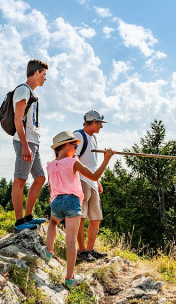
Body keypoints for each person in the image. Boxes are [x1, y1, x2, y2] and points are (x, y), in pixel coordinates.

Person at [35, 131, 114, 289]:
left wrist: (55, 202)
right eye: (74, 145)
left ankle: (48, 251)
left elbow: (51, 187)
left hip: (56, 201)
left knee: (53, 222)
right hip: (72, 201)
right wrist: (106, 160)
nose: (76, 147)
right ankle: (70, 278)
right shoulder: (73, 162)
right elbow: (94, 175)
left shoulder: (51, 166)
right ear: (65, 146)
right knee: (71, 240)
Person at [11, 59, 49, 232]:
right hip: (24, 142)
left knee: (40, 178)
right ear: (36, 73)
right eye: (44, 74)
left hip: (33, 142)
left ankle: (28, 216)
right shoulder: (22, 91)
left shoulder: (30, 93)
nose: (45, 78)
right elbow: (17, 119)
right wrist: (25, 146)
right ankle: (19, 223)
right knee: (20, 180)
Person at [74, 110, 109, 262]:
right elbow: (74, 161)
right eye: (100, 123)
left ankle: (89, 249)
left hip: (92, 182)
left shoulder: (93, 138)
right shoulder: (78, 136)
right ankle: (81, 251)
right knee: (81, 217)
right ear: (93, 122)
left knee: (96, 218)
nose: (101, 126)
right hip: (82, 181)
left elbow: (91, 162)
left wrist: (97, 181)